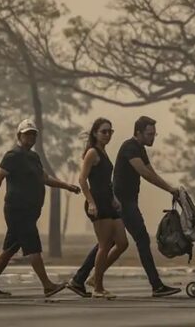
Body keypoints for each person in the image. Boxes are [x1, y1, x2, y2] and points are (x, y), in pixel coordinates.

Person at [68, 116, 180, 298]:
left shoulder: (138, 149)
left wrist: (171, 188)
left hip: (116, 200)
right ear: (138, 133)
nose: (153, 137)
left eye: (154, 134)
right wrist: (168, 188)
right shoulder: (129, 147)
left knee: (113, 243)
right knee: (140, 239)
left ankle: (82, 279)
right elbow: (144, 173)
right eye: (150, 134)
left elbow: (150, 170)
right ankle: (156, 285)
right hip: (122, 201)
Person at [0, 119, 81, 298]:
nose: (31, 137)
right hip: (18, 209)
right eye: (27, 134)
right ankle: (47, 285)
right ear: (19, 135)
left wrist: (67, 186)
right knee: (33, 247)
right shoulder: (12, 155)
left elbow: (44, 178)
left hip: (30, 210)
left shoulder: (33, 157)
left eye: (33, 134)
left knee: (10, 248)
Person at [76, 118, 128, 298]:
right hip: (97, 202)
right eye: (104, 131)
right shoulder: (92, 152)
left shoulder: (104, 153)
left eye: (110, 132)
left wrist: (114, 198)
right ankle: (98, 287)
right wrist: (91, 202)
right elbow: (82, 179)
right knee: (104, 245)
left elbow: (106, 181)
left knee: (122, 243)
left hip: (109, 201)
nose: (107, 135)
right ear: (95, 133)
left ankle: (95, 276)